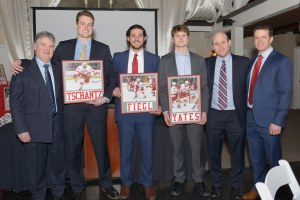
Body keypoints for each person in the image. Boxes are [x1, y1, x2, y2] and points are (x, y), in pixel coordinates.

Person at [11, 10, 119, 200]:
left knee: (101, 147)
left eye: (89, 24)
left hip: (97, 106)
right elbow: (44, 62)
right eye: (82, 23)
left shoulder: (103, 48)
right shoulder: (62, 47)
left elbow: (112, 77)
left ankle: (106, 183)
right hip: (70, 109)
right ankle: (77, 187)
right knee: (72, 149)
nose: (86, 27)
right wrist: (22, 62)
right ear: (77, 25)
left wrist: (105, 97)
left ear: (92, 28)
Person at [10, 31, 66, 200]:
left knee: (58, 165)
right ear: (35, 47)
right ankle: (39, 196)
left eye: (51, 46)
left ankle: (58, 194)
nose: (47, 49)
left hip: (57, 124)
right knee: (36, 168)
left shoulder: (59, 67)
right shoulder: (21, 69)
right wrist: (21, 129)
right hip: (33, 128)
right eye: (44, 45)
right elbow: (16, 103)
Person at [242, 25, 293, 199]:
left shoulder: (281, 60)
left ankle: (276, 192)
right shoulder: (252, 61)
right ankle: (257, 188)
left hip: (270, 120)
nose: (259, 41)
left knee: (274, 160)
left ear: (271, 39)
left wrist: (278, 121)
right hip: (250, 117)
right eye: (256, 37)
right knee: (255, 157)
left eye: (263, 37)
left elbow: (285, 93)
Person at [158, 24, 209, 197]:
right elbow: (163, 89)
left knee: (197, 148)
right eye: (177, 36)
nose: (180, 38)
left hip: (195, 112)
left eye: (183, 35)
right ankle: (179, 178)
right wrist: (165, 112)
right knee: (177, 149)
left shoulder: (199, 60)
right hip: (174, 113)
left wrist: (204, 111)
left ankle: (199, 179)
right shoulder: (164, 61)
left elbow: (204, 88)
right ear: (173, 39)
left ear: (188, 38)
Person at [112, 24, 161, 200]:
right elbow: (109, 79)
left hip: (146, 112)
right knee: (125, 149)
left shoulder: (155, 59)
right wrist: (113, 89)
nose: (137, 38)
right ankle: (126, 183)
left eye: (140, 35)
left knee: (147, 149)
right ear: (128, 38)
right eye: (133, 35)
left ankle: (147, 183)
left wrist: (159, 104)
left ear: (145, 38)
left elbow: (159, 85)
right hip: (124, 112)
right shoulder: (117, 58)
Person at [205, 32, 249, 199]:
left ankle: (236, 186)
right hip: (214, 114)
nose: (220, 46)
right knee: (213, 152)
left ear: (229, 42)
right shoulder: (206, 63)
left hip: (236, 115)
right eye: (217, 44)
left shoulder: (244, 62)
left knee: (237, 153)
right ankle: (216, 185)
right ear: (213, 47)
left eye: (223, 42)